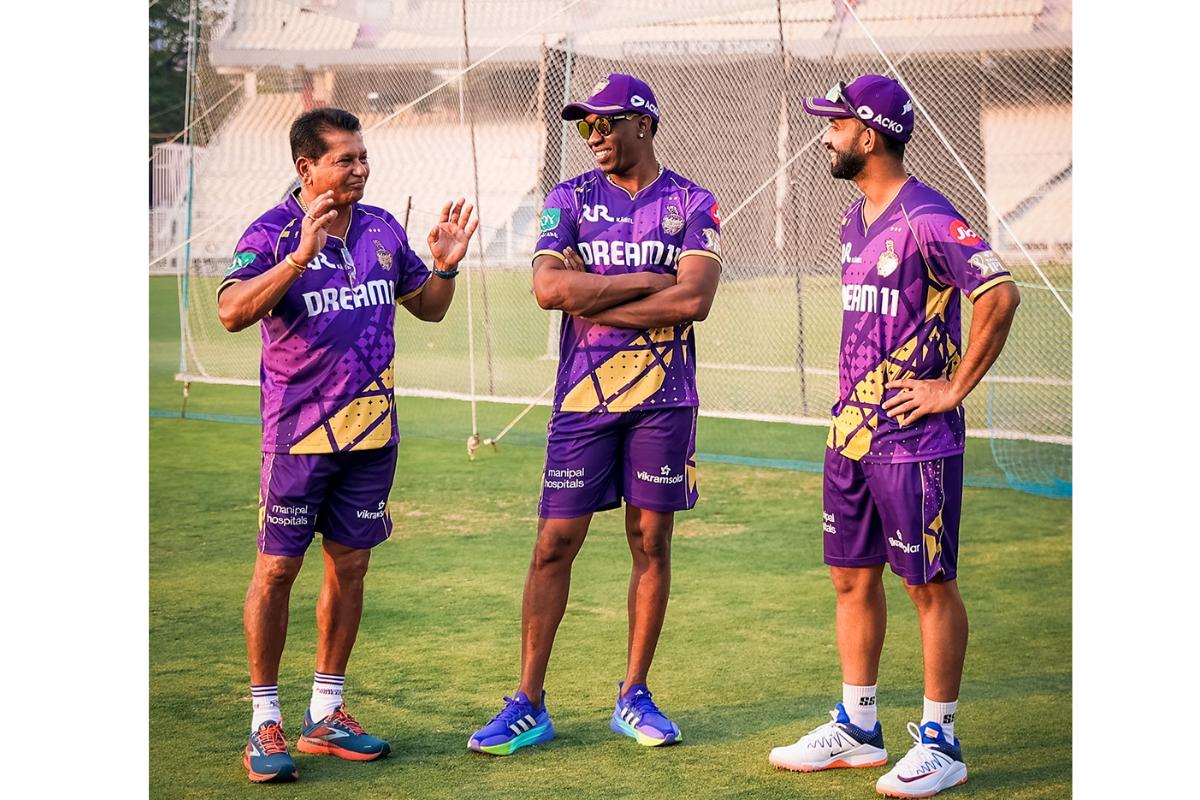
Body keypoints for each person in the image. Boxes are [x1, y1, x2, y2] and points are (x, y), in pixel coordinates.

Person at [767, 75, 1020, 798]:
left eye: (836, 125)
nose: (826, 135)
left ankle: (941, 740)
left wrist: (953, 387)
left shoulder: (930, 216)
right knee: (851, 576)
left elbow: (999, 294)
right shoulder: (854, 219)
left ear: (869, 133)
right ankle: (857, 726)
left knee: (928, 584)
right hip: (851, 435)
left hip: (915, 442)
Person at [217, 107, 477, 783]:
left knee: (351, 566)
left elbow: (429, 306)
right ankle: (263, 721)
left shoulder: (383, 228)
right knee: (276, 571)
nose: (360, 169)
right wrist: (298, 258)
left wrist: (445, 269)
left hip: (370, 435)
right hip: (298, 438)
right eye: (345, 160)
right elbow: (231, 311)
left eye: (363, 157)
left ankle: (326, 713)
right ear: (307, 168)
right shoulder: (271, 232)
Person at [467, 73, 722, 755]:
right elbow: (549, 288)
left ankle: (633, 695)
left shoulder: (693, 201)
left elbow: (694, 300)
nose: (595, 137)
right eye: (586, 127)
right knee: (554, 543)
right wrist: (645, 282)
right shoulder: (569, 197)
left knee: (651, 543)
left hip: (664, 401)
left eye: (606, 124)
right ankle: (528, 703)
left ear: (645, 123)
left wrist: (596, 297)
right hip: (583, 400)